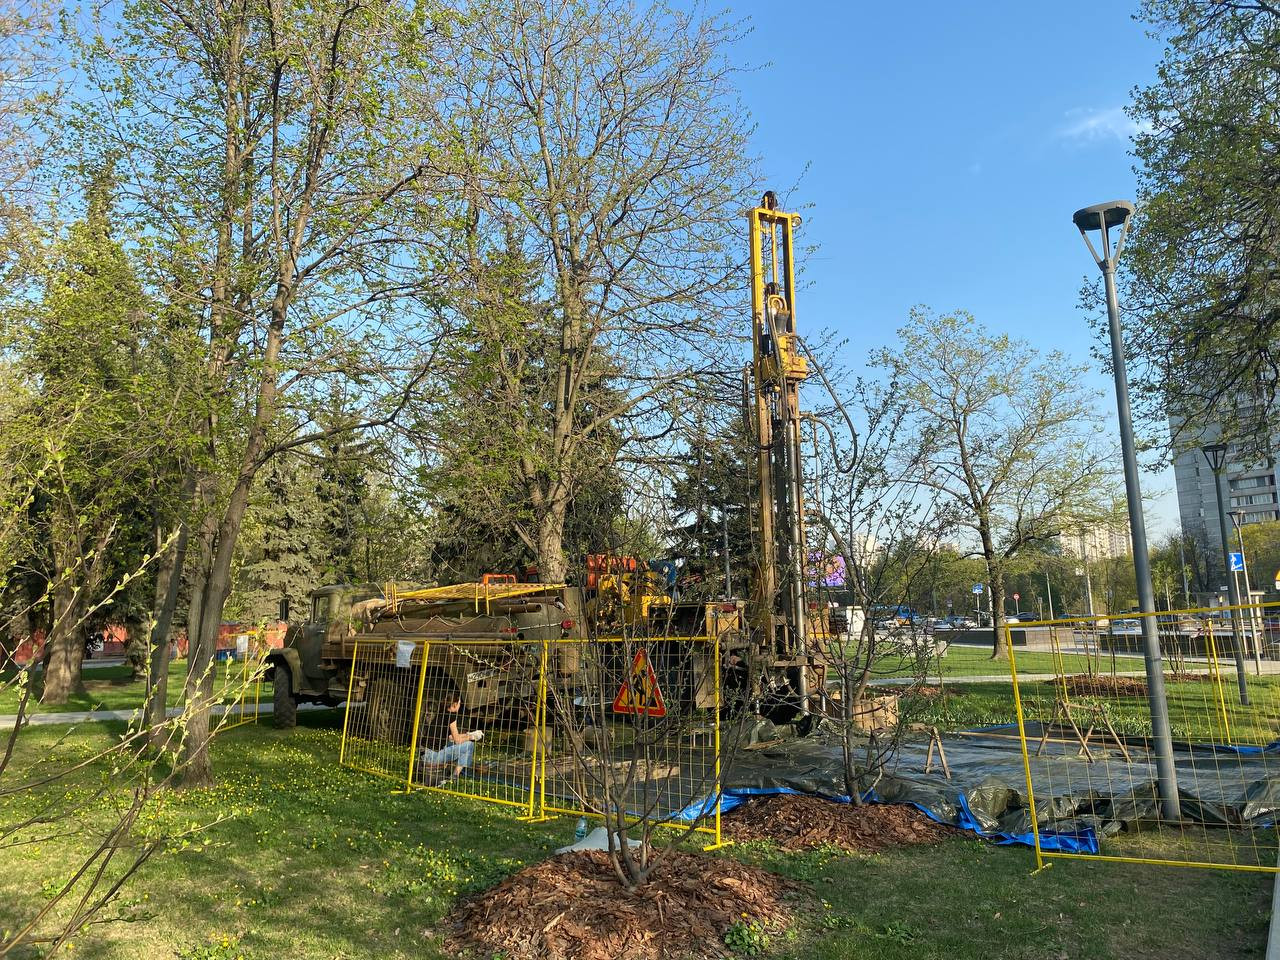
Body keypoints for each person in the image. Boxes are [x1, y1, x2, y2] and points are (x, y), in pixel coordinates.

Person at [419, 693, 483, 786]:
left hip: (424, 753)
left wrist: (469, 734)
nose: (460, 706)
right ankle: (454, 777)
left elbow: (451, 737)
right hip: (432, 757)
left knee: (456, 744)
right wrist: (472, 737)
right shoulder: (451, 716)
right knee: (469, 745)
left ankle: (450, 774)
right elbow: (457, 740)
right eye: (459, 703)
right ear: (455, 704)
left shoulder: (442, 713)